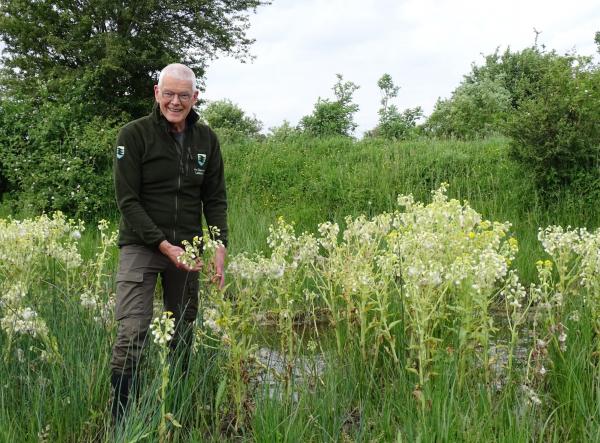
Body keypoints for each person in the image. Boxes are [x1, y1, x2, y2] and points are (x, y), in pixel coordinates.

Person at [110, 63, 228, 421]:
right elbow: (127, 201)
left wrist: (219, 245)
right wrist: (163, 245)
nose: (175, 101)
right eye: (169, 93)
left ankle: (177, 407)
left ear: (195, 97)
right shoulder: (133, 135)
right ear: (156, 92)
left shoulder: (206, 139)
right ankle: (121, 419)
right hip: (142, 246)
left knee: (184, 328)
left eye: (183, 95)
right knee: (132, 331)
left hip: (189, 248)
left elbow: (216, 198)